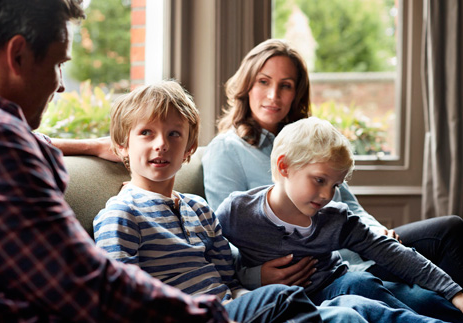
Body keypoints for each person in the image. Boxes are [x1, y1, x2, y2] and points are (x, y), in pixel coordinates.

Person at [92, 78, 458, 323]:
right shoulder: (121, 213)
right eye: (146, 133)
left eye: (174, 134)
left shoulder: (198, 209)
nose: (161, 144)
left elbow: (228, 272)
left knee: (354, 304)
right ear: (122, 146)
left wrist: (248, 286)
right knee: (314, 304)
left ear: (189, 149)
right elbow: (115, 298)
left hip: (238, 305)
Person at [0, 1, 229, 321]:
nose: (60, 84)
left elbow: (35, 142)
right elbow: (86, 287)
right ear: (17, 55)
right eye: (59, 63)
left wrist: (91, 146)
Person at [201, 38, 463, 320]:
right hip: (315, 272)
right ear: (247, 85)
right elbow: (222, 239)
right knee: (406, 298)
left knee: (448, 230)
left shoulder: (312, 141)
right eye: (264, 81)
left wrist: (375, 230)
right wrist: (255, 276)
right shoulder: (227, 152)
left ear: (296, 93)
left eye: (286, 85)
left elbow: (349, 204)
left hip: (351, 249)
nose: (274, 95)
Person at [215, 117, 463, 323]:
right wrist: (254, 277)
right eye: (319, 180)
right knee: (362, 289)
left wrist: (455, 292)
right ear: (284, 167)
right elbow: (215, 260)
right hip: (289, 303)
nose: (327, 195)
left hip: (338, 283)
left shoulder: (334, 218)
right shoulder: (236, 212)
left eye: (335, 185)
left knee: (412, 296)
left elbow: (393, 253)